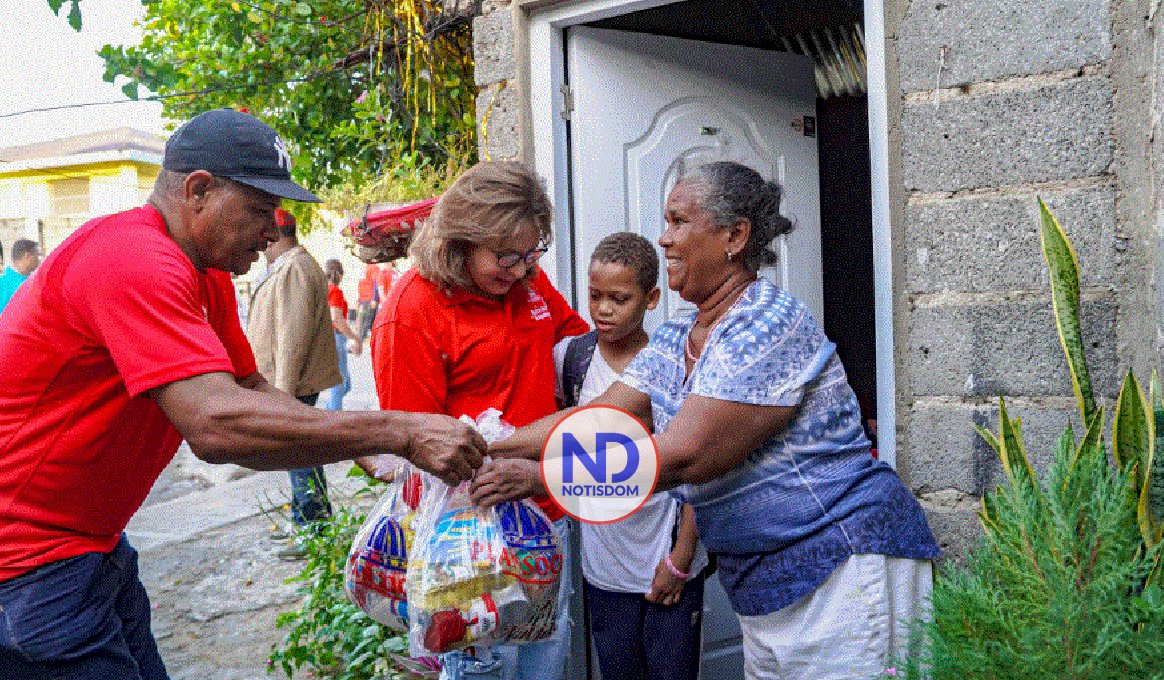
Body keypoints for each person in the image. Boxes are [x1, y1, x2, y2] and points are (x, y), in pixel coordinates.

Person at [0, 108, 485, 679]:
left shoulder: (203, 273)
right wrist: (399, 430)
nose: (272, 229)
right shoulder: (132, 256)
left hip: (90, 544)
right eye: (259, 209)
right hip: (27, 561)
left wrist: (366, 447)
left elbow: (249, 388)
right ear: (198, 191)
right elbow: (215, 426)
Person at [479, 161, 940, 679]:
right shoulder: (677, 337)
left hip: (842, 568)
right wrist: (485, 445)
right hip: (769, 586)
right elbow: (598, 416)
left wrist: (539, 478)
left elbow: (683, 455)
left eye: (678, 221)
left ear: (734, 237)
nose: (664, 238)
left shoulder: (764, 324)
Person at [368, 161, 590, 680]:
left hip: (544, 513)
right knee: (482, 667)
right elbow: (417, 448)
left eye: (531, 254)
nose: (520, 270)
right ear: (460, 241)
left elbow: (579, 346)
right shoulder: (412, 311)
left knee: (543, 665)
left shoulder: (527, 282)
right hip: (467, 538)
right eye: (506, 256)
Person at [554, 232, 707, 680]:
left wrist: (680, 559)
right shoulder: (572, 360)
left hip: (669, 562)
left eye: (619, 299)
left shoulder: (676, 363)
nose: (603, 309)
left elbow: (699, 465)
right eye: (595, 296)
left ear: (651, 299)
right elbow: (560, 441)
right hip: (604, 571)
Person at [245, 208, 342, 550]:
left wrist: (282, 394)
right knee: (299, 457)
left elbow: (292, 336)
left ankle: (312, 529)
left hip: (291, 384)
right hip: (287, 383)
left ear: (272, 235)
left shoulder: (295, 268)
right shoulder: (289, 266)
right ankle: (307, 521)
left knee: (300, 456)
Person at [325, 257, 364, 412]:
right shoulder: (335, 291)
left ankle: (329, 412)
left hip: (330, 337)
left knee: (345, 384)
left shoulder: (323, 290)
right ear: (340, 274)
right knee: (339, 384)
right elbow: (336, 319)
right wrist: (355, 338)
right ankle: (333, 417)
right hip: (335, 337)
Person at [0, 238, 41, 315]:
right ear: (27, 256)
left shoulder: (3, 281)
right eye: (38, 255)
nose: (40, 260)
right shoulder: (25, 286)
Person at [356, 262, 381, 338]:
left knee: (362, 324)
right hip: (370, 302)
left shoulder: (364, 273)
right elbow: (376, 282)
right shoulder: (374, 268)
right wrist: (374, 299)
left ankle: (361, 339)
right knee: (366, 324)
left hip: (364, 302)